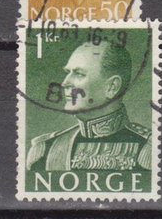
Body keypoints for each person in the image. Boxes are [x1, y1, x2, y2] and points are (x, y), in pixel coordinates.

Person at [26, 40, 152, 173]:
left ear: (112, 87)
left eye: (79, 74)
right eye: (68, 72)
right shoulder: (46, 149)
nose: (65, 83)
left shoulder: (149, 149)